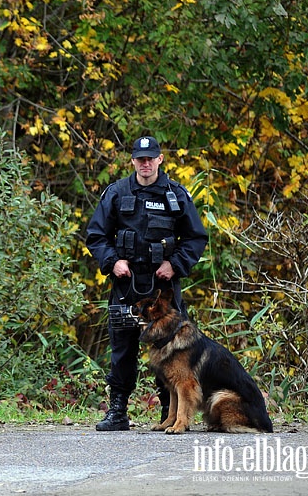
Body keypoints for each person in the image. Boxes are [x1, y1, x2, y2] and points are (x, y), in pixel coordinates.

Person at [85, 136, 208, 431]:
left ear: (160, 159)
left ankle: (171, 410)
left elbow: (196, 238)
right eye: (140, 159)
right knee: (122, 349)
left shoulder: (176, 195)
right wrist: (113, 261)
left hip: (162, 288)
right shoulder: (116, 193)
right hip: (126, 285)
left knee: (173, 350)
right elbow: (96, 236)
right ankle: (118, 411)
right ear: (132, 161)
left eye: (150, 158)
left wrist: (174, 264)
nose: (145, 163)